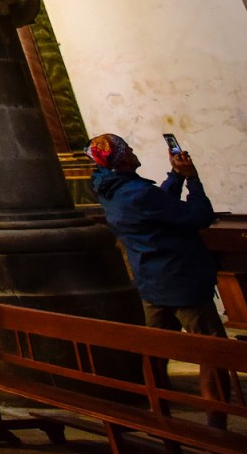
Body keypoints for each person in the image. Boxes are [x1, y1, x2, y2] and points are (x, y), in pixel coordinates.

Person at [87, 133, 222, 335]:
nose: (132, 151)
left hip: (151, 283)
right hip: (179, 280)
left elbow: (157, 207)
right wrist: (192, 179)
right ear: (122, 158)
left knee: (158, 351)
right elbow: (201, 216)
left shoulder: (111, 189)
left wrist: (176, 175)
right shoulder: (138, 192)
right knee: (214, 352)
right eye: (128, 149)